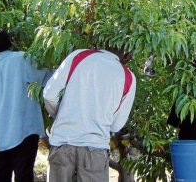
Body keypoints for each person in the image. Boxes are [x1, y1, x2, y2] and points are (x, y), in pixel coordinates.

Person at [43, 46, 136, 182]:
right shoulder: (128, 77)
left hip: (63, 142)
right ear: (127, 54)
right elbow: (116, 126)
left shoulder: (79, 56)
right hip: (95, 150)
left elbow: (49, 95)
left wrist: (62, 115)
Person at [0, 30, 51, 182]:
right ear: (11, 42)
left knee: (2, 173)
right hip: (24, 127)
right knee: (24, 174)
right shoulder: (21, 58)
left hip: (1, 130)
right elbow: (47, 77)